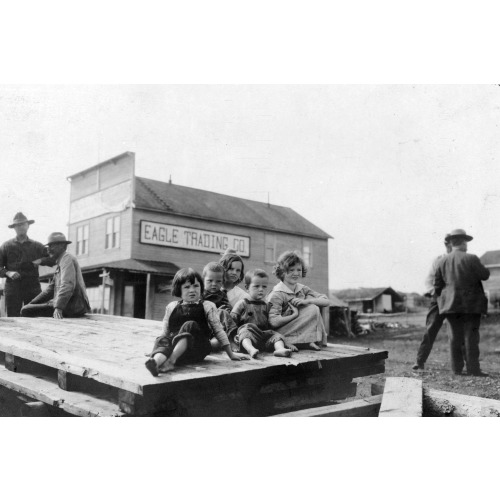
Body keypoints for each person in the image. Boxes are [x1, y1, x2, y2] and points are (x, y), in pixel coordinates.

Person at [145, 268, 249, 376]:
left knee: (189, 325)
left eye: (196, 286)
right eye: (187, 287)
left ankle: (171, 361)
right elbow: (165, 332)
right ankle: (156, 362)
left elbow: (219, 331)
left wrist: (231, 354)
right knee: (163, 339)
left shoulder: (207, 306)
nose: (192, 290)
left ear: (201, 287)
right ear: (178, 289)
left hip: (197, 348)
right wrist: (157, 349)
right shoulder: (172, 306)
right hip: (178, 350)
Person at [434, 228, 490, 377]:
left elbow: (437, 286)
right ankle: (473, 369)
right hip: (471, 306)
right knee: (471, 338)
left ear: (451, 243)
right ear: (463, 242)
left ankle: (456, 370)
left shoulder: (441, 261)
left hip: (450, 306)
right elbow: (485, 275)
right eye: (466, 242)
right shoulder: (471, 258)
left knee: (454, 338)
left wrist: (445, 300)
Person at [267, 250, 330, 350]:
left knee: (313, 308)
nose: (296, 273)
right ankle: (286, 341)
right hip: (280, 332)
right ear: (282, 271)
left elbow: (326, 301)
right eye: (291, 270)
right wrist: (294, 315)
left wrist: (308, 301)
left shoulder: (302, 289)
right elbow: (273, 322)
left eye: (299, 270)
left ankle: (308, 340)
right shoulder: (277, 293)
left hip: (297, 328)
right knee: (312, 309)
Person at [20, 232, 90, 319]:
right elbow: (50, 289)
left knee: (26, 310)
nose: (48, 250)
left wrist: (58, 308)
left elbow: (68, 285)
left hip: (72, 307)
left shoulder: (66, 258)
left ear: (62, 246)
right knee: (28, 307)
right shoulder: (61, 261)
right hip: (70, 305)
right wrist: (32, 303)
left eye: (51, 246)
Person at [231, 269, 298, 358]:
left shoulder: (266, 305)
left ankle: (280, 349)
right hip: (248, 336)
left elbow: (271, 324)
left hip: (263, 336)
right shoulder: (242, 304)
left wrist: (286, 342)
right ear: (247, 288)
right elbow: (231, 323)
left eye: (264, 287)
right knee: (244, 330)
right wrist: (233, 340)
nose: (261, 290)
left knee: (275, 334)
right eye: (257, 286)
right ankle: (250, 349)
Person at [0, 212, 55, 316]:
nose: (20, 227)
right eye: (17, 225)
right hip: (13, 288)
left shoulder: (37, 246)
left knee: (34, 316)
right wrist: (8, 273)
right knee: (13, 318)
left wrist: (41, 260)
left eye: (23, 224)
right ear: (14, 228)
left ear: (28, 225)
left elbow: (53, 260)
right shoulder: (6, 246)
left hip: (32, 287)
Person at [412, 234, 452, 371]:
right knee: (430, 329)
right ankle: (420, 361)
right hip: (439, 299)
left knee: (459, 332)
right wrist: (434, 293)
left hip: (455, 301)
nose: (451, 247)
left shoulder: (461, 259)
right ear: (446, 245)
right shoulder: (439, 260)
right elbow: (428, 280)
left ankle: (463, 365)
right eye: (449, 244)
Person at [201, 261, 238, 349]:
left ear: (222, 282)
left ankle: (229, 338)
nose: (214, 284)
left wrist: (227, 309)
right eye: (210, 281)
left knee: (224, 312)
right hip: (205, 323)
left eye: (218, 281)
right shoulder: (201, 294)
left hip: (219, 326)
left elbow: (227, 309)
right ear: (203, 279)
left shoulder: (222, 294)